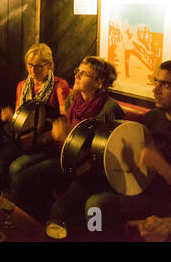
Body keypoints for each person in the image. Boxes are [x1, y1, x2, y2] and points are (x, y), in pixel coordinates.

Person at [60, 60, 171, 240]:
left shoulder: (110, 108)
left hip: (161, 200)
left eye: (165, 85)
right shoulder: (152, 117)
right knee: (73, 197)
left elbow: (155, 163)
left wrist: (161, 165)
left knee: (96, 205)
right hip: (137, 184)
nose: (155, 90)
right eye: (156, 82)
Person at [12, 56, 124, 224]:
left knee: (60, 208)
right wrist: (42, 138)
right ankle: (33, 226)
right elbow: (64, 131)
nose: (77, 76)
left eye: (84, 73)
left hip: (89, 171)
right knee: (21, 178)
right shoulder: (74, 99)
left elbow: (109, 156)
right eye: (77, 71)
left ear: (99, 83)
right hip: (67, 159)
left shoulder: (110, 109)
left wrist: (67, 139)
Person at [0, 43, 70, 192]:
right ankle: (4, 202)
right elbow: (20, 119)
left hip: (47, 143)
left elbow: (63, 122)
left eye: (38, 66)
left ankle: (20, 209)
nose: (32, 70)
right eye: (29, 65)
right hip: (25, 139)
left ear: (48, 65)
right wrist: (11, 117)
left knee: (16, 168)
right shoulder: (22, 85)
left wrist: (41, 138)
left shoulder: (59, 85)